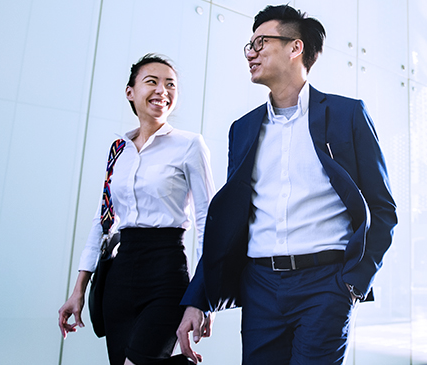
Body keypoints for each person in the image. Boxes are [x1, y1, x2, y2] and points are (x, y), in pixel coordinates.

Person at [177, 4, 397, 364]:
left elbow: (382, 209)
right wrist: (197, 298)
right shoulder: (243, 129)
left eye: (261, 42)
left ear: (296, 48)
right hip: (260, 287)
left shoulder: (347, 115)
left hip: (327, 285)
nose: (251, 53)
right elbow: (230, 225)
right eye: (248, 45)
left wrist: (353, 283)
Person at [58, 54, 215, 365]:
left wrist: (202, 298)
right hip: (120, 277)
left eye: (171, 85)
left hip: (167, 273)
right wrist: (78, 288)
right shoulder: (119, 150)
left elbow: (207, 220)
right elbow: (102, 220)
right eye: (152, 82)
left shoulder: (190, 145)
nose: (163, 91)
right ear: (130, 91)